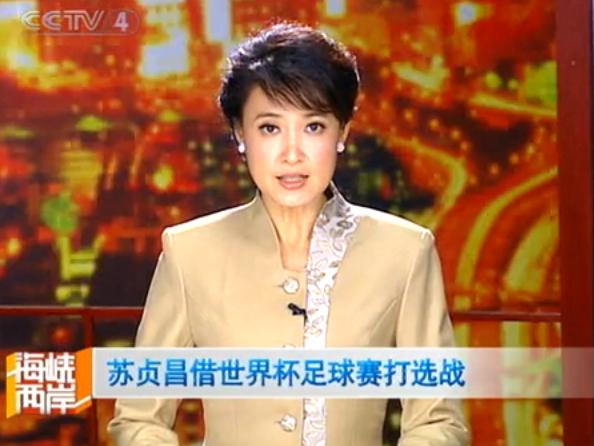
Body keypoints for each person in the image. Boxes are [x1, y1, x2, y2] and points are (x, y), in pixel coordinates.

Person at [108, 22, 469, 446]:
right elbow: (138, 419)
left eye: (313, 127)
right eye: (270, 128)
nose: (292, 154)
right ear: (239, 134)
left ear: (342, 132)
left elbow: (438, 422)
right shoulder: (189, 252)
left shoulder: (404, 252)